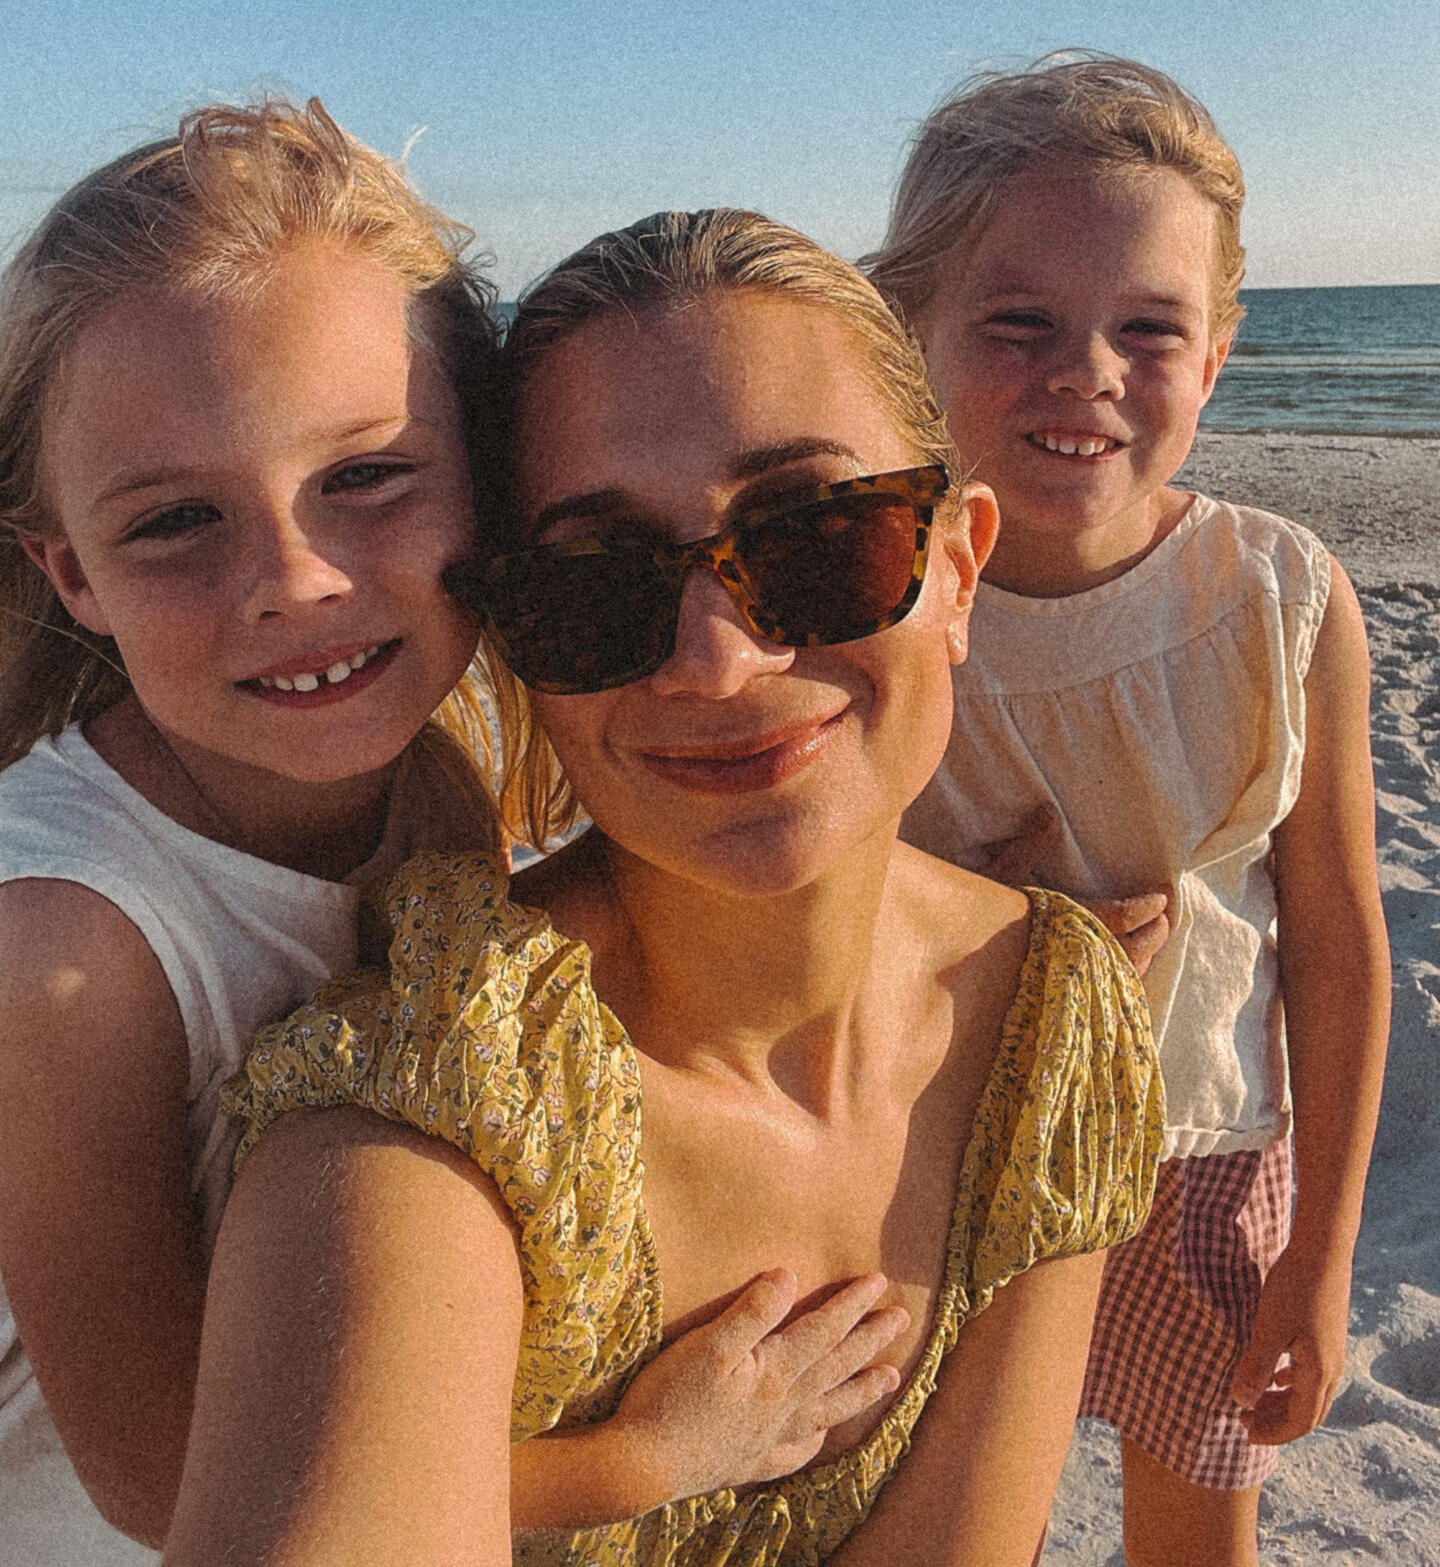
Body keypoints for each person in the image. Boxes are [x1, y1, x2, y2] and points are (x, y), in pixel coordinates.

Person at [0, 133, 977, 1561]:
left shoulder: (438, 776)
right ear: (70, 569)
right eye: (177, 521)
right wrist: (642, 1457)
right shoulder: (66, 952)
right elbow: (155, 1479)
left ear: (483, 490)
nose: (297, 579)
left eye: (365, 478)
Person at [164, 208, 1163, 1567]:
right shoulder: (437, 1105)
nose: (717, 661)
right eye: (594, 589)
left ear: (957, 567)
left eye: (817, 539)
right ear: (518, 648)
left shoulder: (1055, 1029)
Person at [865, 54, 1392, 1567]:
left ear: (1218, 357)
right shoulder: (866, 596)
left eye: (1148, 328)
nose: (1084, 372)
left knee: (1195, 1524)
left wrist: (1322, 1249)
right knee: (962, 1517)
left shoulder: (1284, 599)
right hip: (935, 1154)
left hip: (1208, 1144)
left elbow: (1340, 945)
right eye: (1017, 321)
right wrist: (1014, 942)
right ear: (914, 335)